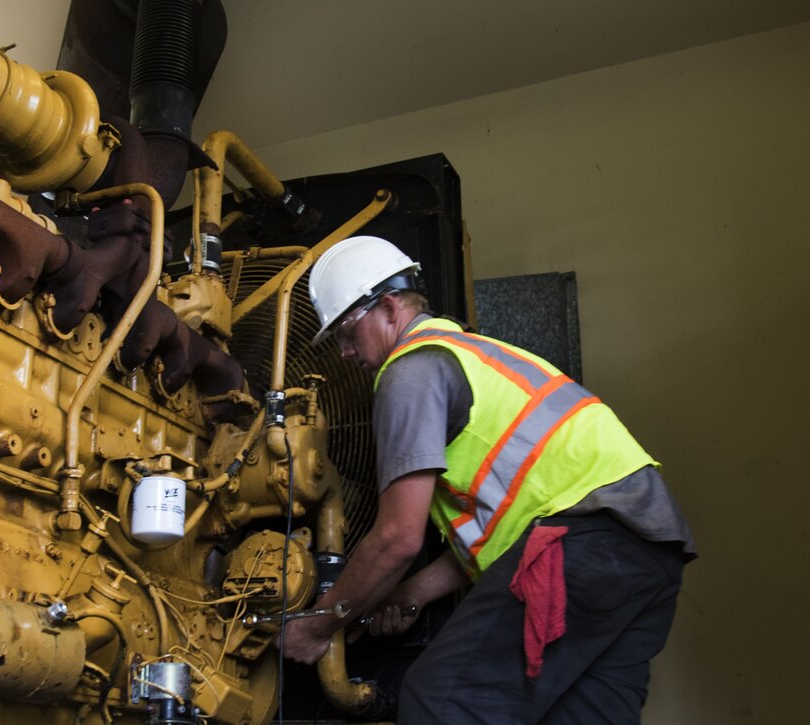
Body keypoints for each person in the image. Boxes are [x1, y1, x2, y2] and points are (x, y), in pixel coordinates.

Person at [282, 235, 696, 723]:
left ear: (390, 308)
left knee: (440, 701)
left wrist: (321, 622)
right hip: (648, 548)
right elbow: (508, 529)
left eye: (347, 332)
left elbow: (396, 538)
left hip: (579, 544)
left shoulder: (411, 371)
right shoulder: (473, 353)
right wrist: (409, 595)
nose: (346, 352)